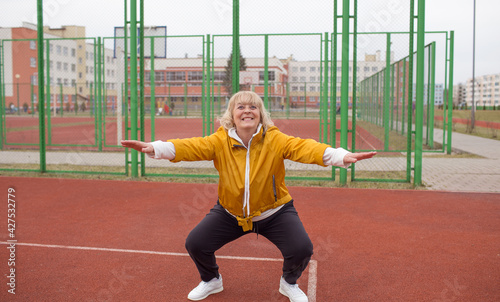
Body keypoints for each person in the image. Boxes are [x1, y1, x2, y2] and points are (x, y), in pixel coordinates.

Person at [121, 91, 376, 302]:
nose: (247, 111)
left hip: (275, 211)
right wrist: (156, 148)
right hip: (230, 212)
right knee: (196, 243)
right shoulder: (219, 141)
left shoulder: (275, 139)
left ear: (260, 114)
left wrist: (339, 156)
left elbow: (304, 148)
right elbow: (191, 146)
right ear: (232, 114)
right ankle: (211, 280)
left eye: (253, 107)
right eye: (240, 106)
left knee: (302, 249)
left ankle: (288, 283)